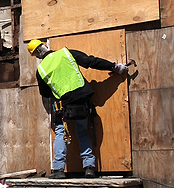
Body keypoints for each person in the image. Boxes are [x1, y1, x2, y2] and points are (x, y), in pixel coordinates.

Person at [28, 39, 127, 178]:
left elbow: (45, 93)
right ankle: (89, 167)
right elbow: (91, 61)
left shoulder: (41, 70)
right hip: (81, 99)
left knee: (61, 133)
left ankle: (58, 170)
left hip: (62, 105)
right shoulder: (66, 53)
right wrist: (114, 67)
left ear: (37, 56)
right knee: (82, 131)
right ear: (45, 46)